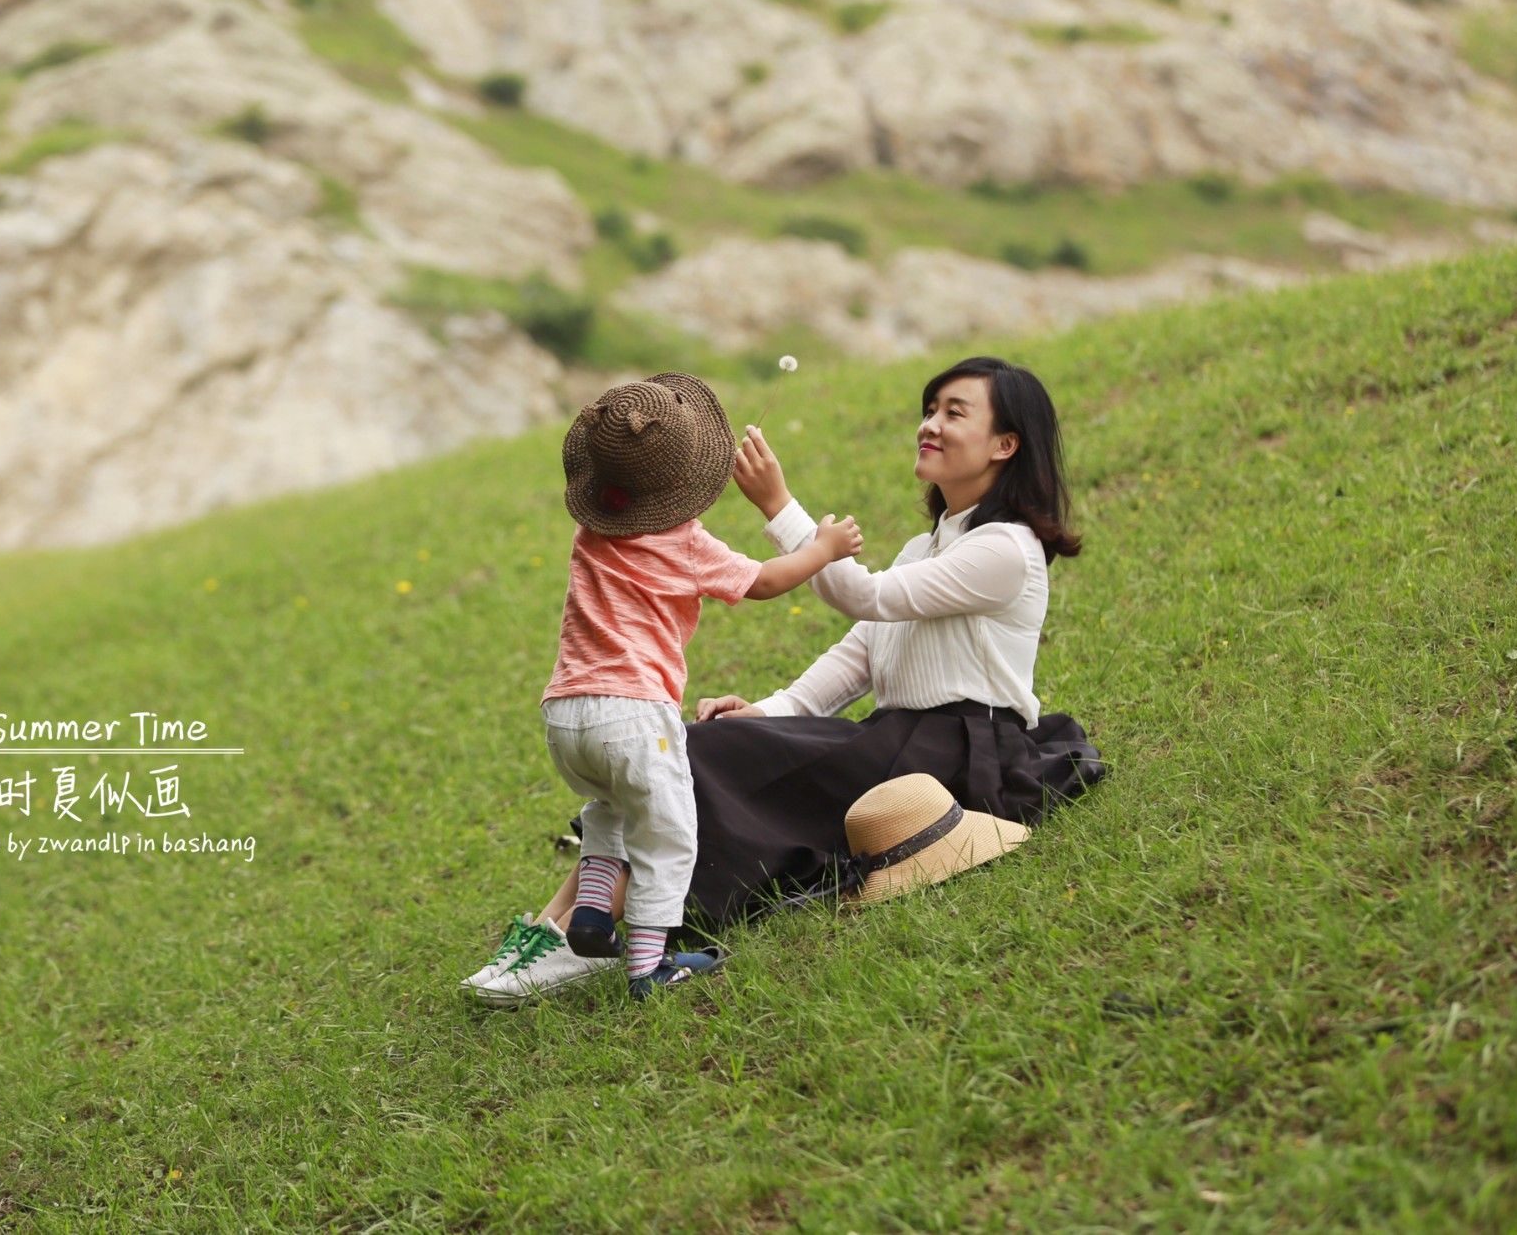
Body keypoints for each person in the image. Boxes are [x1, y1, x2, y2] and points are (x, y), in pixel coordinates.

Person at [467, 356, 1108, 1004]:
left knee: (685, 759)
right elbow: (862, 652)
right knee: (679, 747)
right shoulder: (928, 548)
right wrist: (773, 711)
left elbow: (865, 597)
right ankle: (556, 930)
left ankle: (575, 940)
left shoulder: (1006, 548)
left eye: (954, 412)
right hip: (899, 736)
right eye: (930, 409)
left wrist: (780, 506)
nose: (930, 424)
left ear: (1006, 444)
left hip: (962, 748)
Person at [474, 371, 863, 1003]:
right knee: (669, 833)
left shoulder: (591, 535)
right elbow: (762, 582)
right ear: (689, 484)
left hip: (566, 715)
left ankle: (595, 918)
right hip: (633, 713)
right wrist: (823, 547)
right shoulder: (683, 542)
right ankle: (649, 967)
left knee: (610, 812)